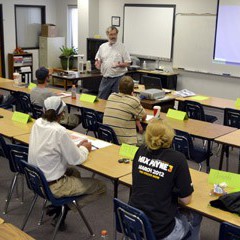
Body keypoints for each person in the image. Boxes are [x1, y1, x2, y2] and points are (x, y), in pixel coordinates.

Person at [28, 96, 106, 230]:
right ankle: (64, 207)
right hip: (53, 186)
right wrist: (84, 148)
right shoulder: (59, 131)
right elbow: (75, 160)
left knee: (75, 173)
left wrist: (76, 148)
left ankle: (59, 209)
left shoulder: (37, 123)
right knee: (101, 187)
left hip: (36, 180)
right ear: (62, 114)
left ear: (43, 110)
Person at [129, 119, 202, 240]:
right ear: (170, 137)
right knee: (195, 215)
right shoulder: (177, 158)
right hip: (160, 232)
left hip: (134, 223)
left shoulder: (140, 150)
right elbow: (186, 200)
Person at [103, 76, 146, 145]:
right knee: (147, 137)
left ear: (119, 87)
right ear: (133, 89)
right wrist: (137, 119)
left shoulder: (111, 96)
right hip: (125, 144)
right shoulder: (133, 100)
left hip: (108, 139)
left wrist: (136, 119)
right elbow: (144, 116)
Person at [95, 26, 131, 100]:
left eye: (114, 34)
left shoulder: (122, 47)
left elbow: (128, 63)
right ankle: (100, 112)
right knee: (101, 98)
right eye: (111, 34)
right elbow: (98, 59)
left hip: (118, 78)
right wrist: (98, 63)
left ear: (117, 34)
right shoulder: (102, 47)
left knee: (117, 100)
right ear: (107, 35)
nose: (113, 36)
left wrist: (119, 64)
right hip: (106, 78)